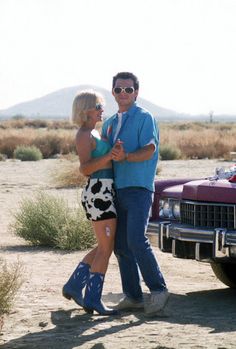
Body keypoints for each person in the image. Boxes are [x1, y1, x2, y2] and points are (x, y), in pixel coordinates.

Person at [102, 72, 169, 317]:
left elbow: (150, 149)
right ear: (113, 92)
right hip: (116, 190)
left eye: (128, 90)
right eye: (119, 89)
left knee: (136, 240)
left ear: (136, 92)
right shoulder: (109, 122)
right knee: (120, 245)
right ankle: (133, 296)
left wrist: (127, 156)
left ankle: (159, 290)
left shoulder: (144, 117)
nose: (123, 94)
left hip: (139, 188)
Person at [62, 90, 118, 315]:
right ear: (85, 110)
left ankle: (75, 285)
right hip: (98, 192)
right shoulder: (83, 134)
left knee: (104, 247)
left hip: (104, 192)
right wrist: (109, 156)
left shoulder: (93, 132)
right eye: (98, 106)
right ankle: (93, 299)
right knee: (106, 249)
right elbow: (85, 168)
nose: (102, 109)